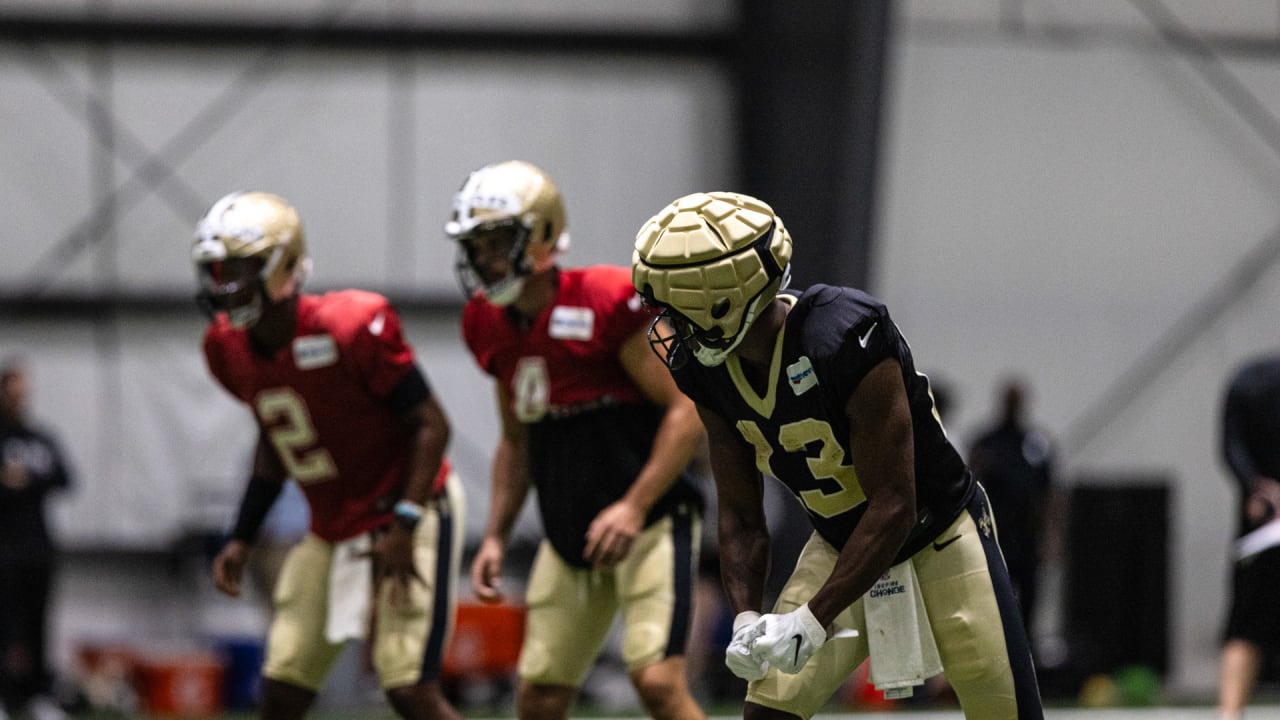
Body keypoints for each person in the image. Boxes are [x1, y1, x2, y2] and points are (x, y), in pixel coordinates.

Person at [631, 191, 1043, 719]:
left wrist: (812, 617)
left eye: (676, 309)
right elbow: (739, 516)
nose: (668, 326)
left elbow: (895, 503)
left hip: (938, 532)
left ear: (723, 301)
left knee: (1006, 712)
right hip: (839, 541)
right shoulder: (707, 369)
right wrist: (746, 619)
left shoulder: (843, 336)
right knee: (767, 711)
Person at [445, 160, 707, 720]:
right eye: (477, 246)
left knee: (658, 682)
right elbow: (515, 441)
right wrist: (494, 535)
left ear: (541, 238)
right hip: (569, 533)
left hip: (652, 519)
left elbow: (686, 410)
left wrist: (634, 507)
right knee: (538, 696)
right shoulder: (486, 323)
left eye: (498, 243)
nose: (485, 259)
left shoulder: (605, 300)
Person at [192, 191, 465, 720]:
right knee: (282, 689)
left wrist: (406, 523)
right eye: (219, 270)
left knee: (408, 688)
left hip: (409, 506)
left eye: (241, 269)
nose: (226, 284)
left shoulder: (349, 326)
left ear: (284, 266)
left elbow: (432, 424)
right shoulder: (226, 348)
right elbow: (276, 438)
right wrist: (243, 534)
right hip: (331, 524)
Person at [0, 362, 73, 720]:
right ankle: (5, 695)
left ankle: (37, 694)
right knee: (5, 627)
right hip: (4, 549)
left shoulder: (39, 437)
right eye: (12, 392)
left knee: (37, 625)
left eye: (22, 393)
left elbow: (65, 477)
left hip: (38, 548)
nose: (19, 400)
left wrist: (24, 481)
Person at [1217, 355, 1280, 720]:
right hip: (1261, 531)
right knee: (1245, 624)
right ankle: (1229, 712)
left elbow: (1230, 445)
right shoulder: (1250, 382)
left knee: (1244, 627)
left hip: (1259, 522)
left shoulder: (1247, 382)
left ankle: (1229, 713)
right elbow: (1231, 445)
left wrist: (1255, 486)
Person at [967, 377, 1054, 639]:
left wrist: (1050, 537)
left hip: (1027, 539)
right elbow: (970, 487)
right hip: (995, 535)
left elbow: (1049, 493)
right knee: (992, 598)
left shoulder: (1036, 445)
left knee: (1028, 603)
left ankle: (1028, 655)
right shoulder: (986, 443)